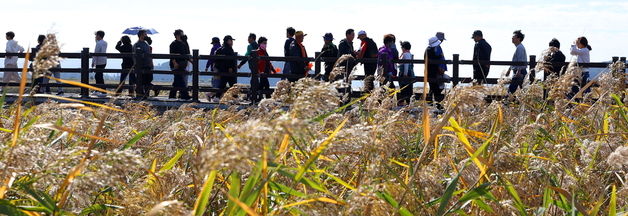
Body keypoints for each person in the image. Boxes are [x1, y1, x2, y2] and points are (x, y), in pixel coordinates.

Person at [168, 29, 191, 100]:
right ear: (178, 35)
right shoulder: (173, 44)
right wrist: (174, 63)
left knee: (177, 81)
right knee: (180, 80)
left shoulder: (183, 43)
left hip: (182, 64)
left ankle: (172, 95)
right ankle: (185, 95)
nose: (183, 35)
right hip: (176, 65)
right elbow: (172, 54)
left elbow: (187, 53)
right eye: (182, 34)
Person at [425, 36, 447, 109]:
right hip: (434, 72)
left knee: (433, 88)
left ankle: (431, 104)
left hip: (429, 71)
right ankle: (438, 105)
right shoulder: (432, 50)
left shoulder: (427, 50)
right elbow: (438, 60)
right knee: (436, 88)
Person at [251, 36, 274, 102]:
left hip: (265, 72)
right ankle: (267, 99)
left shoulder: (265, 52)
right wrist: (259, 71)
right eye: (264, 43)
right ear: (260, 44)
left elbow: (268, 62)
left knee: (262, 85)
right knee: (266, 85)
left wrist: (273, 70)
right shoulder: (258, 52)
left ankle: (258, 97)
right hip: (261, 72)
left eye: (266, 43)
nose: (265, 45)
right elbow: (256, 64)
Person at [133, 30, 153, 100]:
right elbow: (136, 56)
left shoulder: (146, 43)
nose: (146, 36)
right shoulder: (137, 44)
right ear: (141, 35)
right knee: (142, 81)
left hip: (148, 64)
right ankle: (142, 95)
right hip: (141, 66)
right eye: (145, 34)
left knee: (148, 80)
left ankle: (146, 94)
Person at [398, 41, 415, 105]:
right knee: (408, 88)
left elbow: (406, 64)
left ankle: (404, 103)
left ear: (403, 48)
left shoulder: (406, 54)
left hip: (405, 73)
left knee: (404, 88)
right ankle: (408, 103)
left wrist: (405, 74)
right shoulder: (408, 54)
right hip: (408, 72)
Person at [92, 30, 108, 96]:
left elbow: (96, 53)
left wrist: (93, 62)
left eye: (96, 35)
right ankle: (98, 90)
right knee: (99, 75)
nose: (95, 36)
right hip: (104, 61)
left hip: (99, 61)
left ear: (99, 35)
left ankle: (102, 91)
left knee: (98, 76)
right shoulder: (105, 42)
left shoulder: (98, 43)